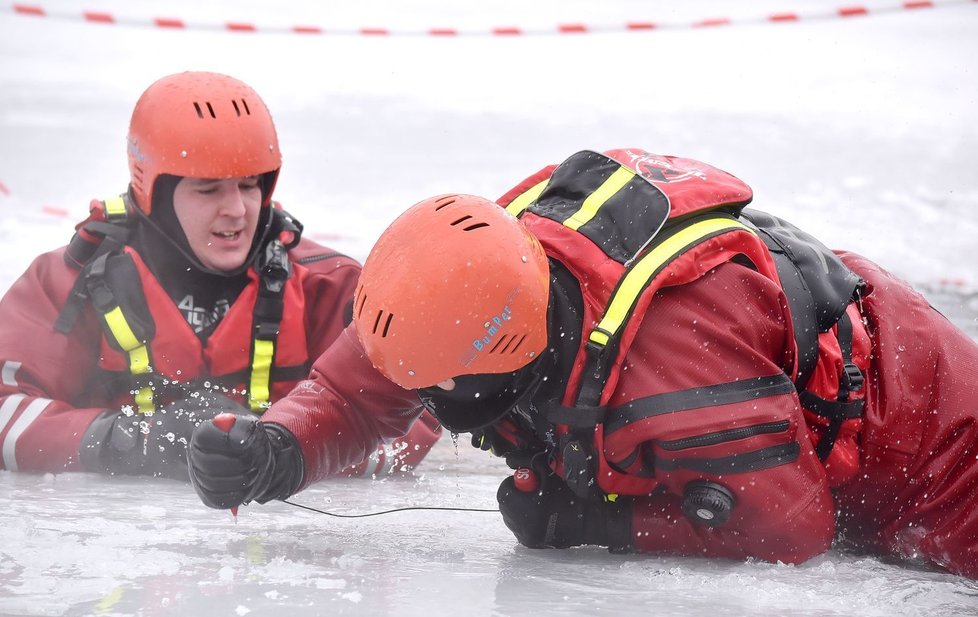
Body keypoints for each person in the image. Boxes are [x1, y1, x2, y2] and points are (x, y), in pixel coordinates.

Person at [186, 147, 978, 580]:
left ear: (491, 377)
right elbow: (362, 387)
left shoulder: (672, 365)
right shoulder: (478, 272)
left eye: (432, 390)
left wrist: (598, 522)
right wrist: (279, 449)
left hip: (938, 448)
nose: (411, 395)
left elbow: (791, 526)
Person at [0, 71, 441, 480]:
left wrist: (283, 449)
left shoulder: (329, 285)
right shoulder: (68, 281)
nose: (236, 210)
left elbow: (412, 418)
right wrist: (132, 441)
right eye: (208, 189)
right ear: (153, 191)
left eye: (250, 185)